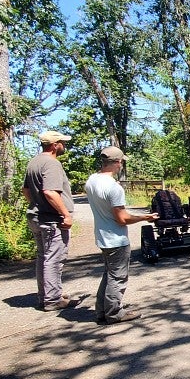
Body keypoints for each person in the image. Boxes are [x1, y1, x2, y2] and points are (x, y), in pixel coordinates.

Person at [85, 146, 160, 324]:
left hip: (102, 236)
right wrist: (145, 217)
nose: (121, 166)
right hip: (116, 238)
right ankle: (114, 312)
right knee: (118, 277)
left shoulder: (91, 181)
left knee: (109, 274)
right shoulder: (114, 188)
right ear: (117, 162)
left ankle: (101, 310)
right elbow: (121, 218)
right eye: (121, 162)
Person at [22, 130, 79, 312]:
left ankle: (46, 295)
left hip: (37, 217)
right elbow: (50, 192)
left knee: (43, 257)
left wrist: (37, 204)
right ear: (55, 145)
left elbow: (26, 191)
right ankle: (52, 299)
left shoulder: (34, 162)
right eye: (62, 142)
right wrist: (65, 214)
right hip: (52, 220)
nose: (64, 145)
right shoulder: (51, 164)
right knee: (54, 259)